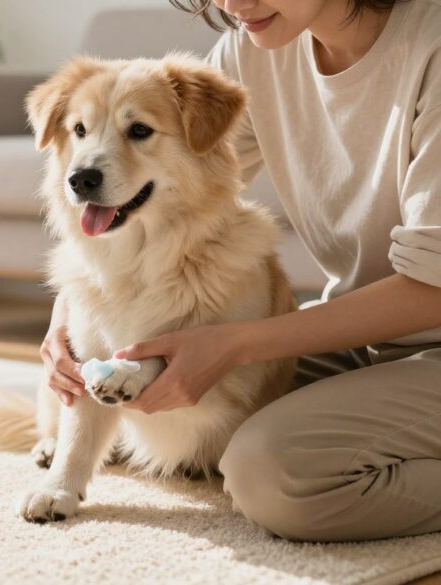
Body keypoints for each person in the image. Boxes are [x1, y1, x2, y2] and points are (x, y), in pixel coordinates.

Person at [41, 0, 441, 541]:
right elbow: (190, 184)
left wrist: (235, 343)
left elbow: (432, 290)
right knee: (168, 408)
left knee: (270, 474)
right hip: (370, 339)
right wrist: (71, 312)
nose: (233, 5)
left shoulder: (431, 47)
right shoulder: (261, 45)